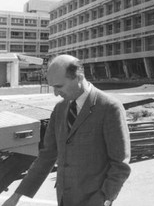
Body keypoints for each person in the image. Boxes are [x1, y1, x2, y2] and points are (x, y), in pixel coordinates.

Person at [2, 55, 131, 206]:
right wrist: (16, 197)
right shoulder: (59, 109)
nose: (55, 93)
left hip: (95, 200)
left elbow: (120, 164)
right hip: (64, 199)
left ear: (79, 78)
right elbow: (46, 156)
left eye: (59, 86)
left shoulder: (109, 107)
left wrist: (105, 199)